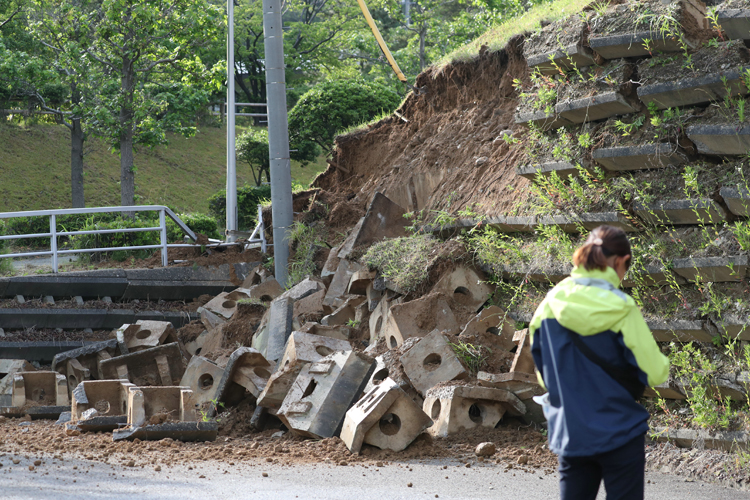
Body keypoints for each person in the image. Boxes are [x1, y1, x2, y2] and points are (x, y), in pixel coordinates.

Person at [528, 225, 669, 500]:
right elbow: (654, 373)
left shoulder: (549, 303)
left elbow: (544, 376)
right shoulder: (621, 306)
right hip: (620, 432)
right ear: (622, 262)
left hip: (571, 432)